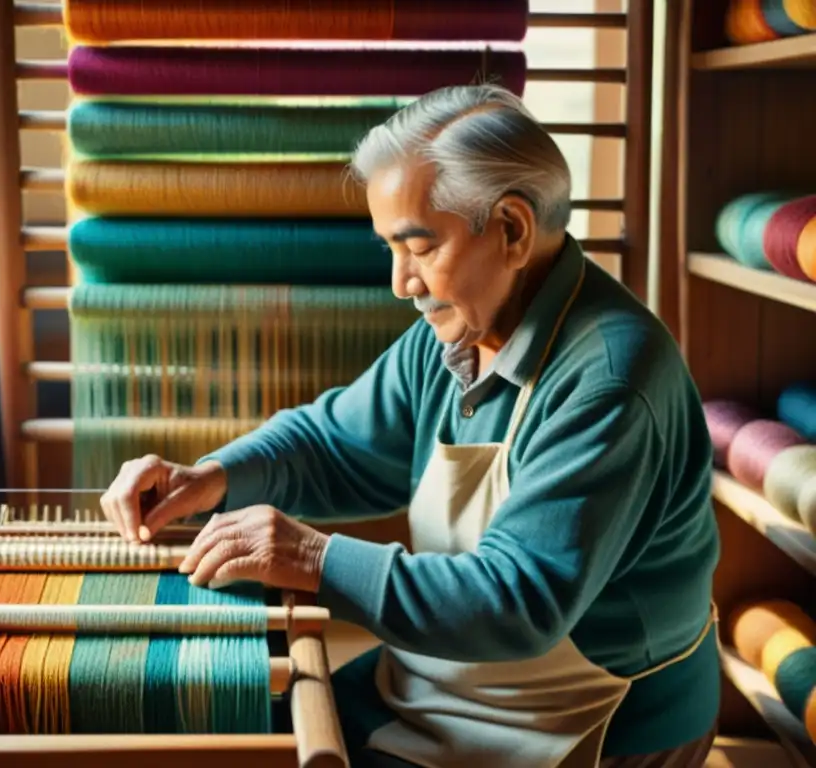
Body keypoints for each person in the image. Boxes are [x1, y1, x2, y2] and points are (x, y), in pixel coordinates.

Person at [100, 84, 721, 768]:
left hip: (590, 729)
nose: (400, 282)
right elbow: (334, 443)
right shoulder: (457, 332)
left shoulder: (610, 379)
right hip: (450, 682)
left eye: (419, 247)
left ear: (512, 229)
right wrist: (212, 477)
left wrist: (313, 558)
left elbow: (518, 602)